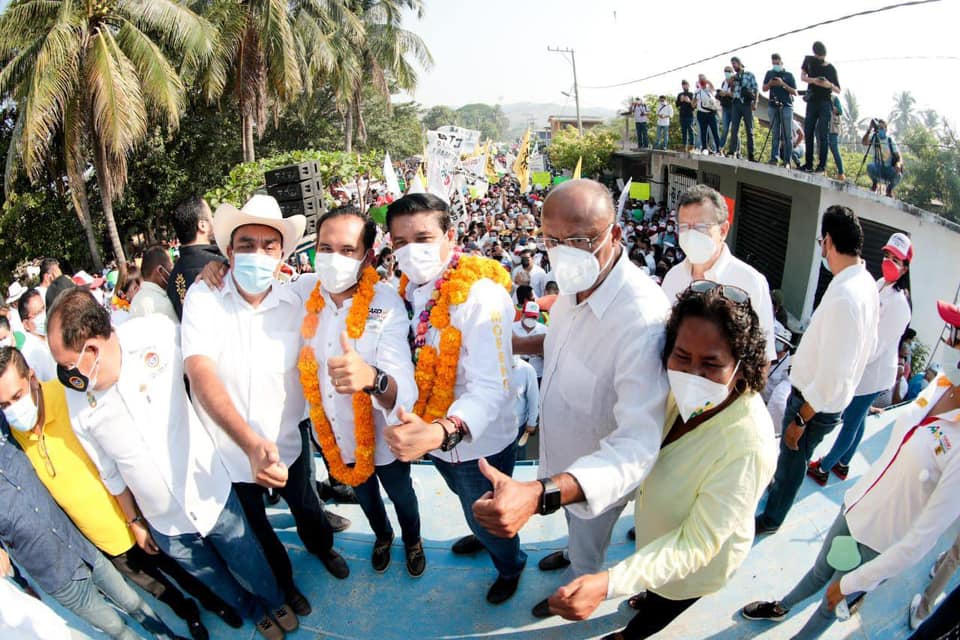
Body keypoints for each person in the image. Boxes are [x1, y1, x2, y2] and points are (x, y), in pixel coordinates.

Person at [472, 179, 672, 620]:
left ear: (614, 235)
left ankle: (575, 580)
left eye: (580, 239)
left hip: (593, 475)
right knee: (572, 531)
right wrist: (515, 344)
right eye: (552, 240)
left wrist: (541, 493)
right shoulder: (576, 280)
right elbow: (564, 343)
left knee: (588, 545)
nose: (565, 252)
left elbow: (638, 446)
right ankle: (569, 551)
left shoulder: (642, 320)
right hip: (560, 453)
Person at [46, 289, 296, 640]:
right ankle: (254, 611)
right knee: (215, 580)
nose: (65, 375)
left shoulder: (156, 334)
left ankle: (274, 600)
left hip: (209, 491)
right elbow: (109, 470)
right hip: (165, 524)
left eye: (67, 364)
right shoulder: (78, 401)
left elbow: (206, 364)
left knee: (249, 558)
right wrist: (136, 521)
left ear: (91, 351)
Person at [547, 282, 777, 638]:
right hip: (655, 540)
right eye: (682, 356)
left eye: (711, 363)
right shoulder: (668, 390)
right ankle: (647, 591)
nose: (691, 375)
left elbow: (695, 545)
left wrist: (610, 582)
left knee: (663, 604)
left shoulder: (749, 445)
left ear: (741, 367)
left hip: (694, 567)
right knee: (653, 585)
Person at [742, 299, 960, 639]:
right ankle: (781, 606)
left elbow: (921, 541)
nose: (947, 341)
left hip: (875, 542)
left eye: (956, 335)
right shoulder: (943, 384)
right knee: (820, 572)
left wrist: (857, 581)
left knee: (832, 599)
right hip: (857, 508)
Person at [0, 347, 240, 640]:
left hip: (137, 514)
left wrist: (135, 518)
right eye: (4, 404)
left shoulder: (69, 399)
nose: (13, 408)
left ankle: (217, 604)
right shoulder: (14, 436)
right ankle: (188, 613)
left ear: (32, 378)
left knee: (180, 568)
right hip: (103, 540)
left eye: (16, 396)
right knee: (155, 585)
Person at [182, 194, 347, 617]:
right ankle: (286, 583)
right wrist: (249, 442)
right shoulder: (204, 297)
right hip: (232, 453)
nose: (257, 254)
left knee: (308, 506)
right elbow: (201, 372)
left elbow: (352, 275)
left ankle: (322, 548)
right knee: (258, 527)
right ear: (229, 251)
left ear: (283, 255)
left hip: (290, 441)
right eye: (246, 245)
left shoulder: (299, 299)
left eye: (268, 246)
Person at [382, 193, 527, 605]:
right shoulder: (408, 289)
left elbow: (491, 387)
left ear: (451, 236)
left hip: (476, 444)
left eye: (424, 238)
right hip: (433, 440)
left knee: (491, 513)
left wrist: (440, 432)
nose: (412, 251)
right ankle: (482, 534)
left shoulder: (478, 294)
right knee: (471, 507)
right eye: (400, 242)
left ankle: (510, 564)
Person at [295, 205, 424, 576]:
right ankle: (382, 537)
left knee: (402, 497)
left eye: (347, 250)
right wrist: (217, 266)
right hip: (337, 439)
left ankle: (412, 540)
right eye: (325, 247)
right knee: (366, 499)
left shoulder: (385, 303)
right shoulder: (303, 293)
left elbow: (404, 388)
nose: (334, 258)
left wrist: (371, 378)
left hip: (384, 437)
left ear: (366, 257)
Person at [0, 411, 187, 640]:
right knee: (115, 627)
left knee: (133, 602)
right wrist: (21, 582)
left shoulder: (6, 439)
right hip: (56, 576)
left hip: (81, 547)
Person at [755, 205, 880, 535]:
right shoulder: (863, 283)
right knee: (790, 462)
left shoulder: (848, 295)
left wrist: (799, 419)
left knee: (793, 461)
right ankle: (777, 496)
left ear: (827, 241)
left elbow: (834, 374)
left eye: (819, 242)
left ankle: (771, 518)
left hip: (812, 405)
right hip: (823, 401)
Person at [808, 232, 913, 485]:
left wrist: (850, 360)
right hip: (865, 364)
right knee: (859, 416)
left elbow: (878, 344)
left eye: (896, 259)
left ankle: (825, 466)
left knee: (851, 419)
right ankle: (843, 464)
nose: (889, 261)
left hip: (872, 370)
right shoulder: (880, 284)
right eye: (887, 255)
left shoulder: (900, 304)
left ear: (906, 267)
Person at [661, 185, 777, 362]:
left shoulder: (750, 282)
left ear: (723, 230)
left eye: (699, 227)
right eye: (684, 227)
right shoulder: (672, 278)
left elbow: (763, 357)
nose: (690, 234)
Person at [166, 196, 225, 320]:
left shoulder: (172, 277)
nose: (214, 221)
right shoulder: (220, 266)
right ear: (202, 225)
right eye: (211, 217)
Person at [801, 41, 841, 173]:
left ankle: (821, 166)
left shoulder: (831, 68)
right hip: (812, 100)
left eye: (821, 56)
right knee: (808, 132)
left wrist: (828, 84)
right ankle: (808, 164)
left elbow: (838, 90)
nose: (819, 58)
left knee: (823, 135)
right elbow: (803, 77)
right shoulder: (809, 61)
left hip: (825, 102)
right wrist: (814, 80)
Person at [762, 53, 798, 166]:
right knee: (775, 133)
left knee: (787, 134)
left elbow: (795, 92)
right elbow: (763, 88)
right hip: (773, 105)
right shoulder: (769, 73)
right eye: (773, 63)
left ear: (782, 62)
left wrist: (783, 84)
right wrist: (770, 83)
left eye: (777, 63)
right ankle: (774, 158)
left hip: (786, 106)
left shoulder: (789, 75)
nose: (775, 65)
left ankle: (787, 160)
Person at [16, 288, 56, 381]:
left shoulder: (51, 338)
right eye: (38, 313)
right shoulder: (30, 354)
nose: (44, 315)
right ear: (26, 324)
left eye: (43, 309)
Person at [130, 245, 178, 323]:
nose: (172, 272)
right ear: (160, 270)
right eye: (171, 268)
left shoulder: (135, 301)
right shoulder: (163, 304)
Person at [726, 56, 758, 161]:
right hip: (736, 103)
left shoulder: (749, 75)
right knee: (734, 128)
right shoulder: (734, 77)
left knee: (749, 129)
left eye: (734, 64)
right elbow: (731, 89)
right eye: (732, 64)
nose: (734, 66)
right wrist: (731, 81)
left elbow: (756, 89)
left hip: (746, 103)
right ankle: (732, 151)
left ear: (739, 63)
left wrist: (755, 102)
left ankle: (751, 154)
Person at [863, 118, 904, 197]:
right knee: (870, 167)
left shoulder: (890, 140)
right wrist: (869, 130)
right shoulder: (875, 137)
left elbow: (899, 156)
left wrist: (898, 163)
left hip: (889, 168)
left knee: (898, 175)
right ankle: (874, 183)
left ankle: (889, 189)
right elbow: (864, 142)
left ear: (886, 129)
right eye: (879, 128)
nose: (880, 130)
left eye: (882, 128)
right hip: (878, 167)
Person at [511, 355, 539, 461]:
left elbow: (534, 399)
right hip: (494, 427)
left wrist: (532, 422)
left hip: (518, 426)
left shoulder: (527, 370)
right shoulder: (491, 367)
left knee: (517, 461)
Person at [512, 301, 547, 380]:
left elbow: (550, 355)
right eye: (528, 316)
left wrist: (540, 353)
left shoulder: (544, 330)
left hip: (537, 375)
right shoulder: (512, 328)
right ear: (523, 314)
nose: (530, 319)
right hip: (516, 375)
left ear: (538, 317)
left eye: (533, 317)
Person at [693, 74, 721, 153]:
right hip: (701, 114)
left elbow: (713, 88)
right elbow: (693, 105)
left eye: (703, 79)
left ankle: (719, 148)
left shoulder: (709, 90)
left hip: (711, 113)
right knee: (703, 132)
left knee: (715, 132)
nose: (702, 81)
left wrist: (707, 81)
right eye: (700, 79)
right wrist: (694, 99)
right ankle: (704, 148)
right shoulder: (697, 92)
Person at [717, 65, 735, 150]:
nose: (726, 72)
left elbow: (735, 94)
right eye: (725, 71)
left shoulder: (735, 81)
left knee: (734, 130)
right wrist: (720, 94)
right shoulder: (724, 82)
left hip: (734, 107)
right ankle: (720, 148)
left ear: (732, 72)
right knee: (725, 129)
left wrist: (727, 93)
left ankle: (736, 150)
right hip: (725, 107)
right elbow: (721, 94)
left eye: (728, 71)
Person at [829, 95, 846, 180]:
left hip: (832, 127)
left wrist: (829, 105)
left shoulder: (834, 98)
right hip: (822, 126)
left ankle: (841, 172)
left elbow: (839, 111)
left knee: (834, 149)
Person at [676, 81, 695, 152]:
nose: (684, 86)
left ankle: (692, 146)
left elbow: (694, 107)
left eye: (685, 85)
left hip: (690, 115)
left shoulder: (691, 94)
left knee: (690, 130)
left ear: (688, 85)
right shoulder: (680, 94)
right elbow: (677, 104)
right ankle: (684, 146)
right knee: (683, 131)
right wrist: (681, 100)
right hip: (682, 115)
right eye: (683, 85)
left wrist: (689, 101)